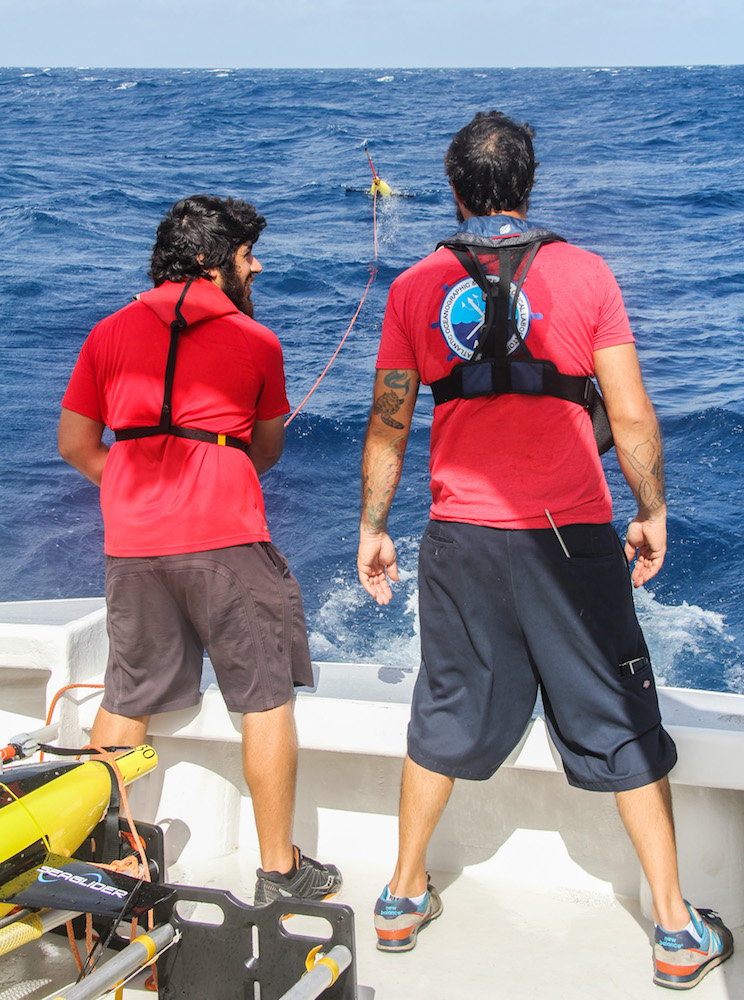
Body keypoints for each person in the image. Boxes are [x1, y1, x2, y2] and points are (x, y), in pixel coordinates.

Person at [357, 113, 732, 990]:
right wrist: (653, 509)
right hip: (570, 540)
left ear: (453, 191)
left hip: (462, 540)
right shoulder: (587, 273)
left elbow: (390, 421)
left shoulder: (414, 288)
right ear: (529, 184)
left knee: (443, 705)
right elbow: (631, 414)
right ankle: (675, 928)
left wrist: (372, 526)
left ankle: (404, 897)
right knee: (623, 716)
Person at [59, 194, 341, 906]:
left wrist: (128, 477)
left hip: (132, 543)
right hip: (225, 538)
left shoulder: (105, 333)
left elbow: (74, 445)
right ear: (214, 265)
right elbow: (268, 447)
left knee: (128, 695)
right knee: (265, 696)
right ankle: (280, 872)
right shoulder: (257, 340)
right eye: (249, 256)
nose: (258, 267)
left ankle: (106, 863)